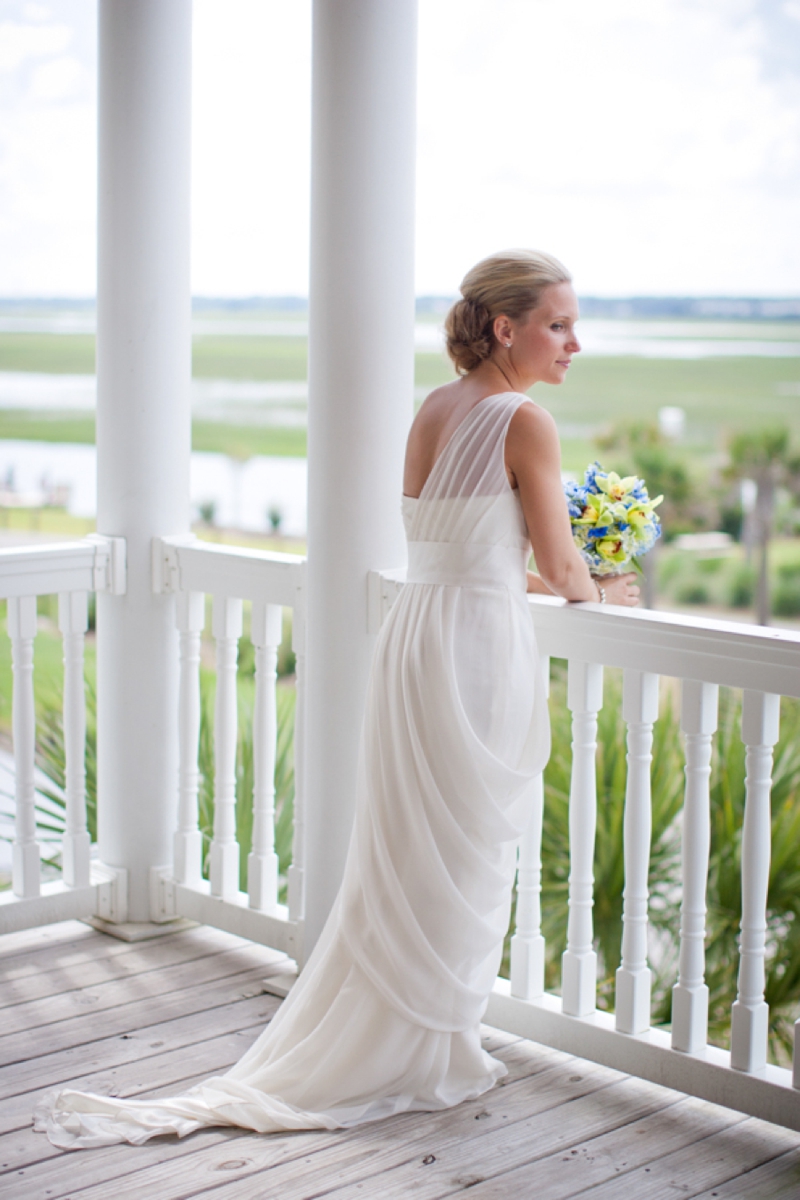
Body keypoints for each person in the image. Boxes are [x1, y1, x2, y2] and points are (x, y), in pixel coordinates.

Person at [35, 249, 638, 1150]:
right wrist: (607, 585)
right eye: (558, 323)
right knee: (463, 847)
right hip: (473, 648)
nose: (573, 343)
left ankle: (423, 1037)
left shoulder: (436, 408)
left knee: (409, 844)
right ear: (506, 327)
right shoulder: (524, 420)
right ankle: (427, 1046)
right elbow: (554, 569)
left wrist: (552, 576)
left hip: (416, 638)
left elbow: (461, 548)